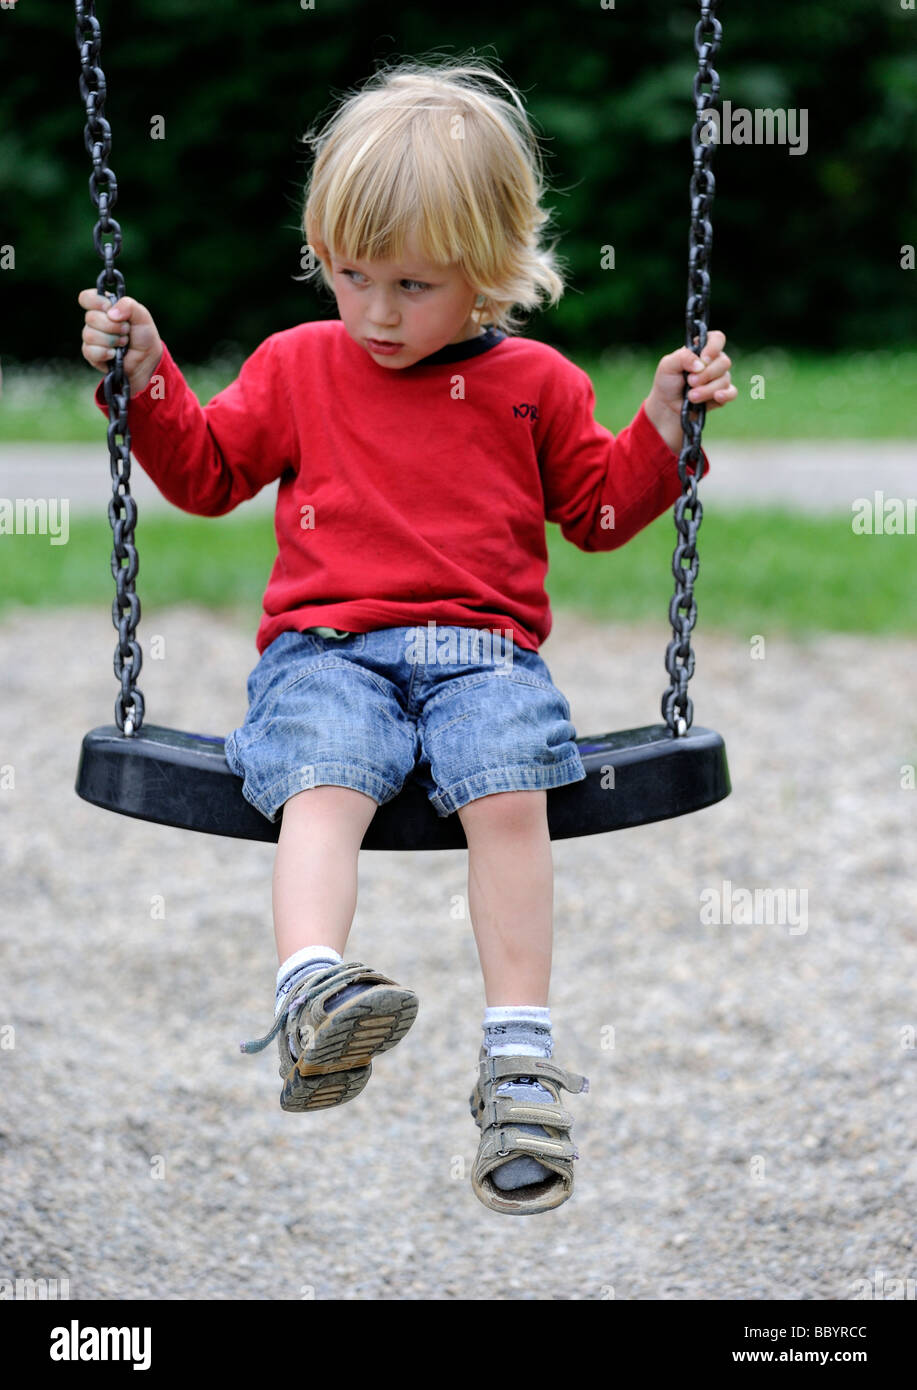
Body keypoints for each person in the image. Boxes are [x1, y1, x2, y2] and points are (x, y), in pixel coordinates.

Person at [79, 55, 735, 1216]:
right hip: (324, 649)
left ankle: (519, 1061)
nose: (375, 313)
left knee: (510, 792)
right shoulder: (298, 363)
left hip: (484, 655)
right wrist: (148, 381)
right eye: (349, 275)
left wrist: (663, 426)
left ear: (485, 271)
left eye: (413, 287)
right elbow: (210, 474)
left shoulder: (533, 381)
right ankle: (312, 992)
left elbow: (592, 514)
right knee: (320, 779)